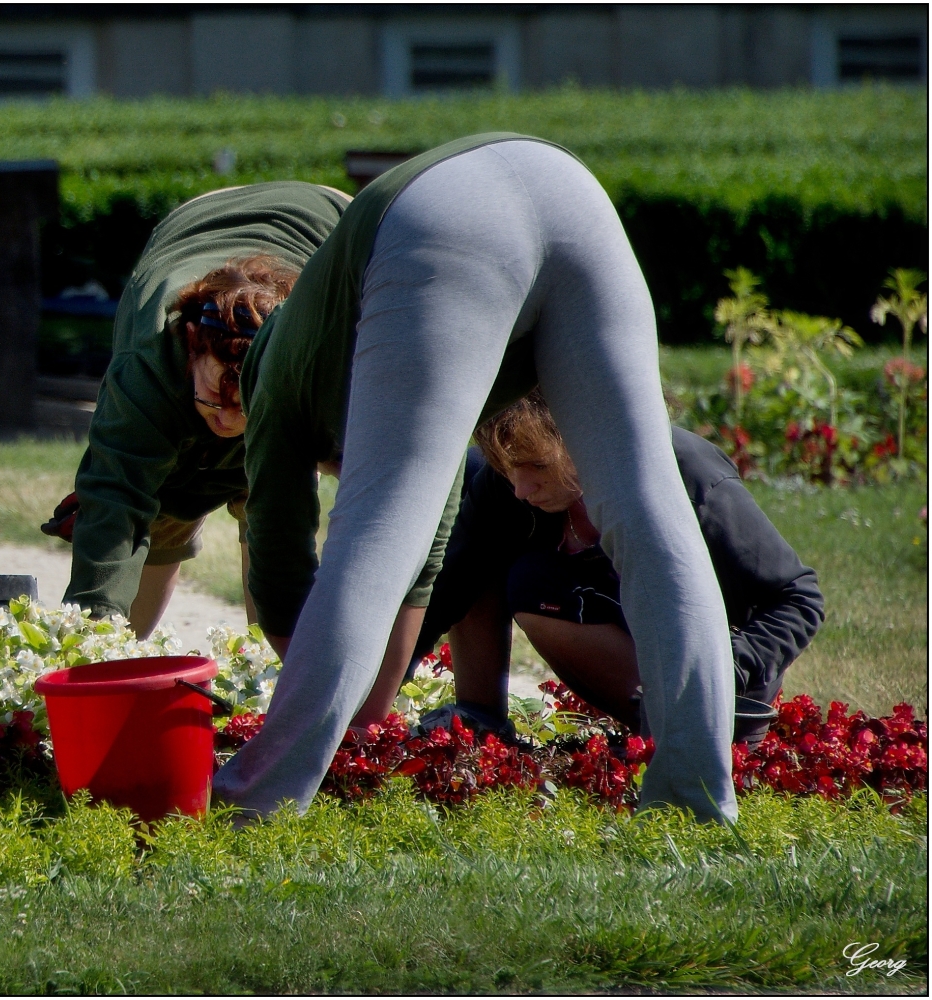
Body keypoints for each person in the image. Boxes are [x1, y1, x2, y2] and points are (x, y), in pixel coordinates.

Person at [220, 132, 744, 822]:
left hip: (441, 218)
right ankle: (695, 799)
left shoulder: (273, 389)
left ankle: (256, 800)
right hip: (569, 187)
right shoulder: (324, 333)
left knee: (376, 524)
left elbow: (284, 569)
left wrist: (309, 678)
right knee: (649, 507)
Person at [412, 392, 822, 744]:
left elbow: (798, 599)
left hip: (720, 684)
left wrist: (721, 670)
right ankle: (480, 718)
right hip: (623, 637)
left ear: (582, 435)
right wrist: (368, 703)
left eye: (537, 466)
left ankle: (676, 737)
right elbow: (448, 588)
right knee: (521, 573)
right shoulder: (507, 487)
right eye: (508, 467)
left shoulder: (688, 474)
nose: (521, 488)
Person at [55, 181, 347, 638]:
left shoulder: (316, 356)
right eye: (216, 393)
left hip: (326, 220)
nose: (229, 419)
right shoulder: (146, 364)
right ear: (192, 342)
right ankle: (123, 660)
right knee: (160, 506)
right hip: (197, 220)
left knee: (269, 500)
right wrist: (90, 641)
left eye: (247, 402)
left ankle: (271, 674)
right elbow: (115, 502)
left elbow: (294, 528)